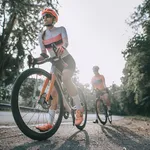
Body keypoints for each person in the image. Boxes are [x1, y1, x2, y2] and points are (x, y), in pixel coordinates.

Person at [35, 8, 83, 131]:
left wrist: (61, 47)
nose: (44, 18)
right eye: (43, 16)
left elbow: (65, 43)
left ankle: (79, 109)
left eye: (47, 16)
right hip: (54, 64)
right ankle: (49, 124)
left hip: (66, 60)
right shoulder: (42, 36)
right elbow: (44, 55)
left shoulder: (61, 29)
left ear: (54, 19)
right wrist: (35, 60)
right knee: (53, 93)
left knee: (66, 78)